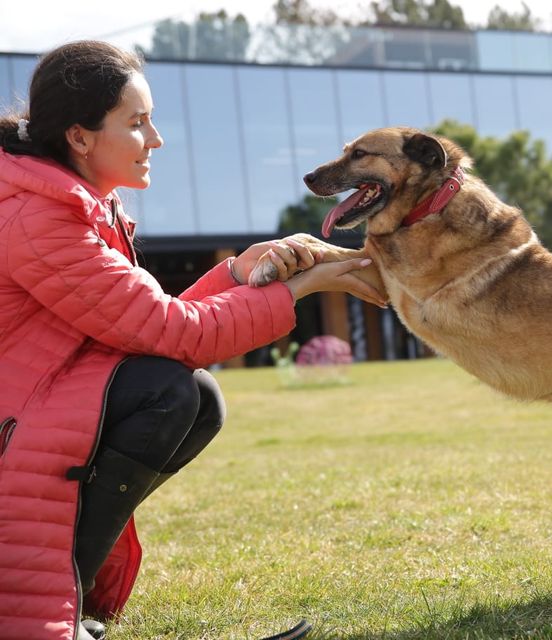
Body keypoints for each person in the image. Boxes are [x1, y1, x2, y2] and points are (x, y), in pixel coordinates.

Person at [0, 40, 386, 640]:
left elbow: (147, 321)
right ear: (79, 137)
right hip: (12, 435)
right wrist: (298, 288)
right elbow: (172, 333)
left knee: (193, 395)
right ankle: (57, 604)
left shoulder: (68, 204)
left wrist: (241, 271)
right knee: (170, 391)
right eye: (136, 123)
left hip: (26, 418)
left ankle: (67, 600)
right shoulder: (40, 215)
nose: (155, 139)